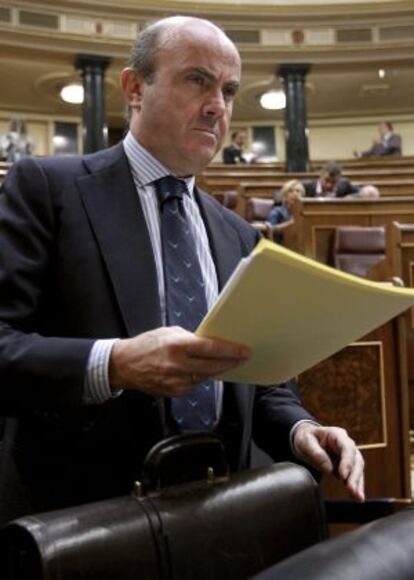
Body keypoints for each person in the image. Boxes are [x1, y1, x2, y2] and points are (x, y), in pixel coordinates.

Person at [0, 16, 364, 525]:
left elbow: (261, 381)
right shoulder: (47, 188)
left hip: (219, 515)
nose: (218, 105)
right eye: (197, 79)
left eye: (229, 89)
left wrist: (298, 428)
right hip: (83, 519)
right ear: (134, 87)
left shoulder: (239, 235)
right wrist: (115, 363)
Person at [268, 179, 304, 244]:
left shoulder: (306, 212)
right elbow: (271, 230)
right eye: (290, 191)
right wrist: (290, 223)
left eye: (298, 191)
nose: (295, 194)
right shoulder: (277, 211)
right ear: (285, 195)